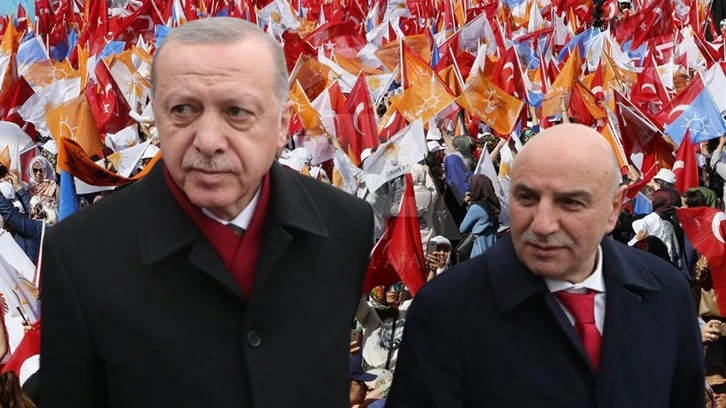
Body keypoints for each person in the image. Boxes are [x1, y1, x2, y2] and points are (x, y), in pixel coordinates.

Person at [41, 18, 374, 407]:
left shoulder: (345, 226)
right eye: (183, 109)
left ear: (283, 125)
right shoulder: (80, 255)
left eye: (237, 111)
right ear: (157, 117)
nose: (209, 141)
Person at [386, 124, 703, 407]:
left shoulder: (666, 292)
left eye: (570, 202)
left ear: (614, 208)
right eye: (527, 198)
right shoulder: (444, 309)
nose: (543, 224)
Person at [459, 175, 500, 258]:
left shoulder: (477, 207)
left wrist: (469, 205)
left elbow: (462, 228)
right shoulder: (494, 203)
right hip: (492, 245)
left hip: (479, 247)